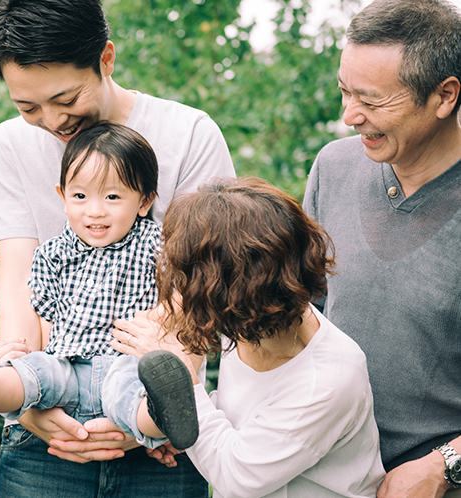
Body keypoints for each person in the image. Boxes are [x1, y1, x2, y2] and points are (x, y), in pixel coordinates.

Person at [0, 0, 235, 494]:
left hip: (160, 439)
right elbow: (18, 281)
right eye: (27, 107)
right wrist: (31, 412)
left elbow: (198, 286)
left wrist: (146, 420)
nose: (52, 120)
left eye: (65, 98)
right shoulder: (9, 145)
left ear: (106, 58)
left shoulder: (189, 134)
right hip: (44, 434)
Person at [113, 177, 386, 497]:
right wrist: (185, 429)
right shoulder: (254, 320)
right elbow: (245, 423)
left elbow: (237, 477)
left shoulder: (326, 381)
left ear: (230, 291)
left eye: (190, 280)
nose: (181, 291)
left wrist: (182, 380)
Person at [0, 122, 199, 455]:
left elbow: (183, 296)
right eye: (80, 196)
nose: (95, 210)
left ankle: (168, 412)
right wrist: (37, 358)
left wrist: (159, 324)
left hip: (126, 363)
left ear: (145, 201)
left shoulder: (157, 246)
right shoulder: (52, 254)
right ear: (63, 197)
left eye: (112, 197)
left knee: (133, 399)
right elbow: (46, 319)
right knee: (33, 374)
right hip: (66, 364)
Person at [302, 0, 461, 496]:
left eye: (371, 101)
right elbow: (303, 311)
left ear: (444, 96)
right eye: (345, 92)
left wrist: (442, 467)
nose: (350, 115)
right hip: (320, 472)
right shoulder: (334, 167)